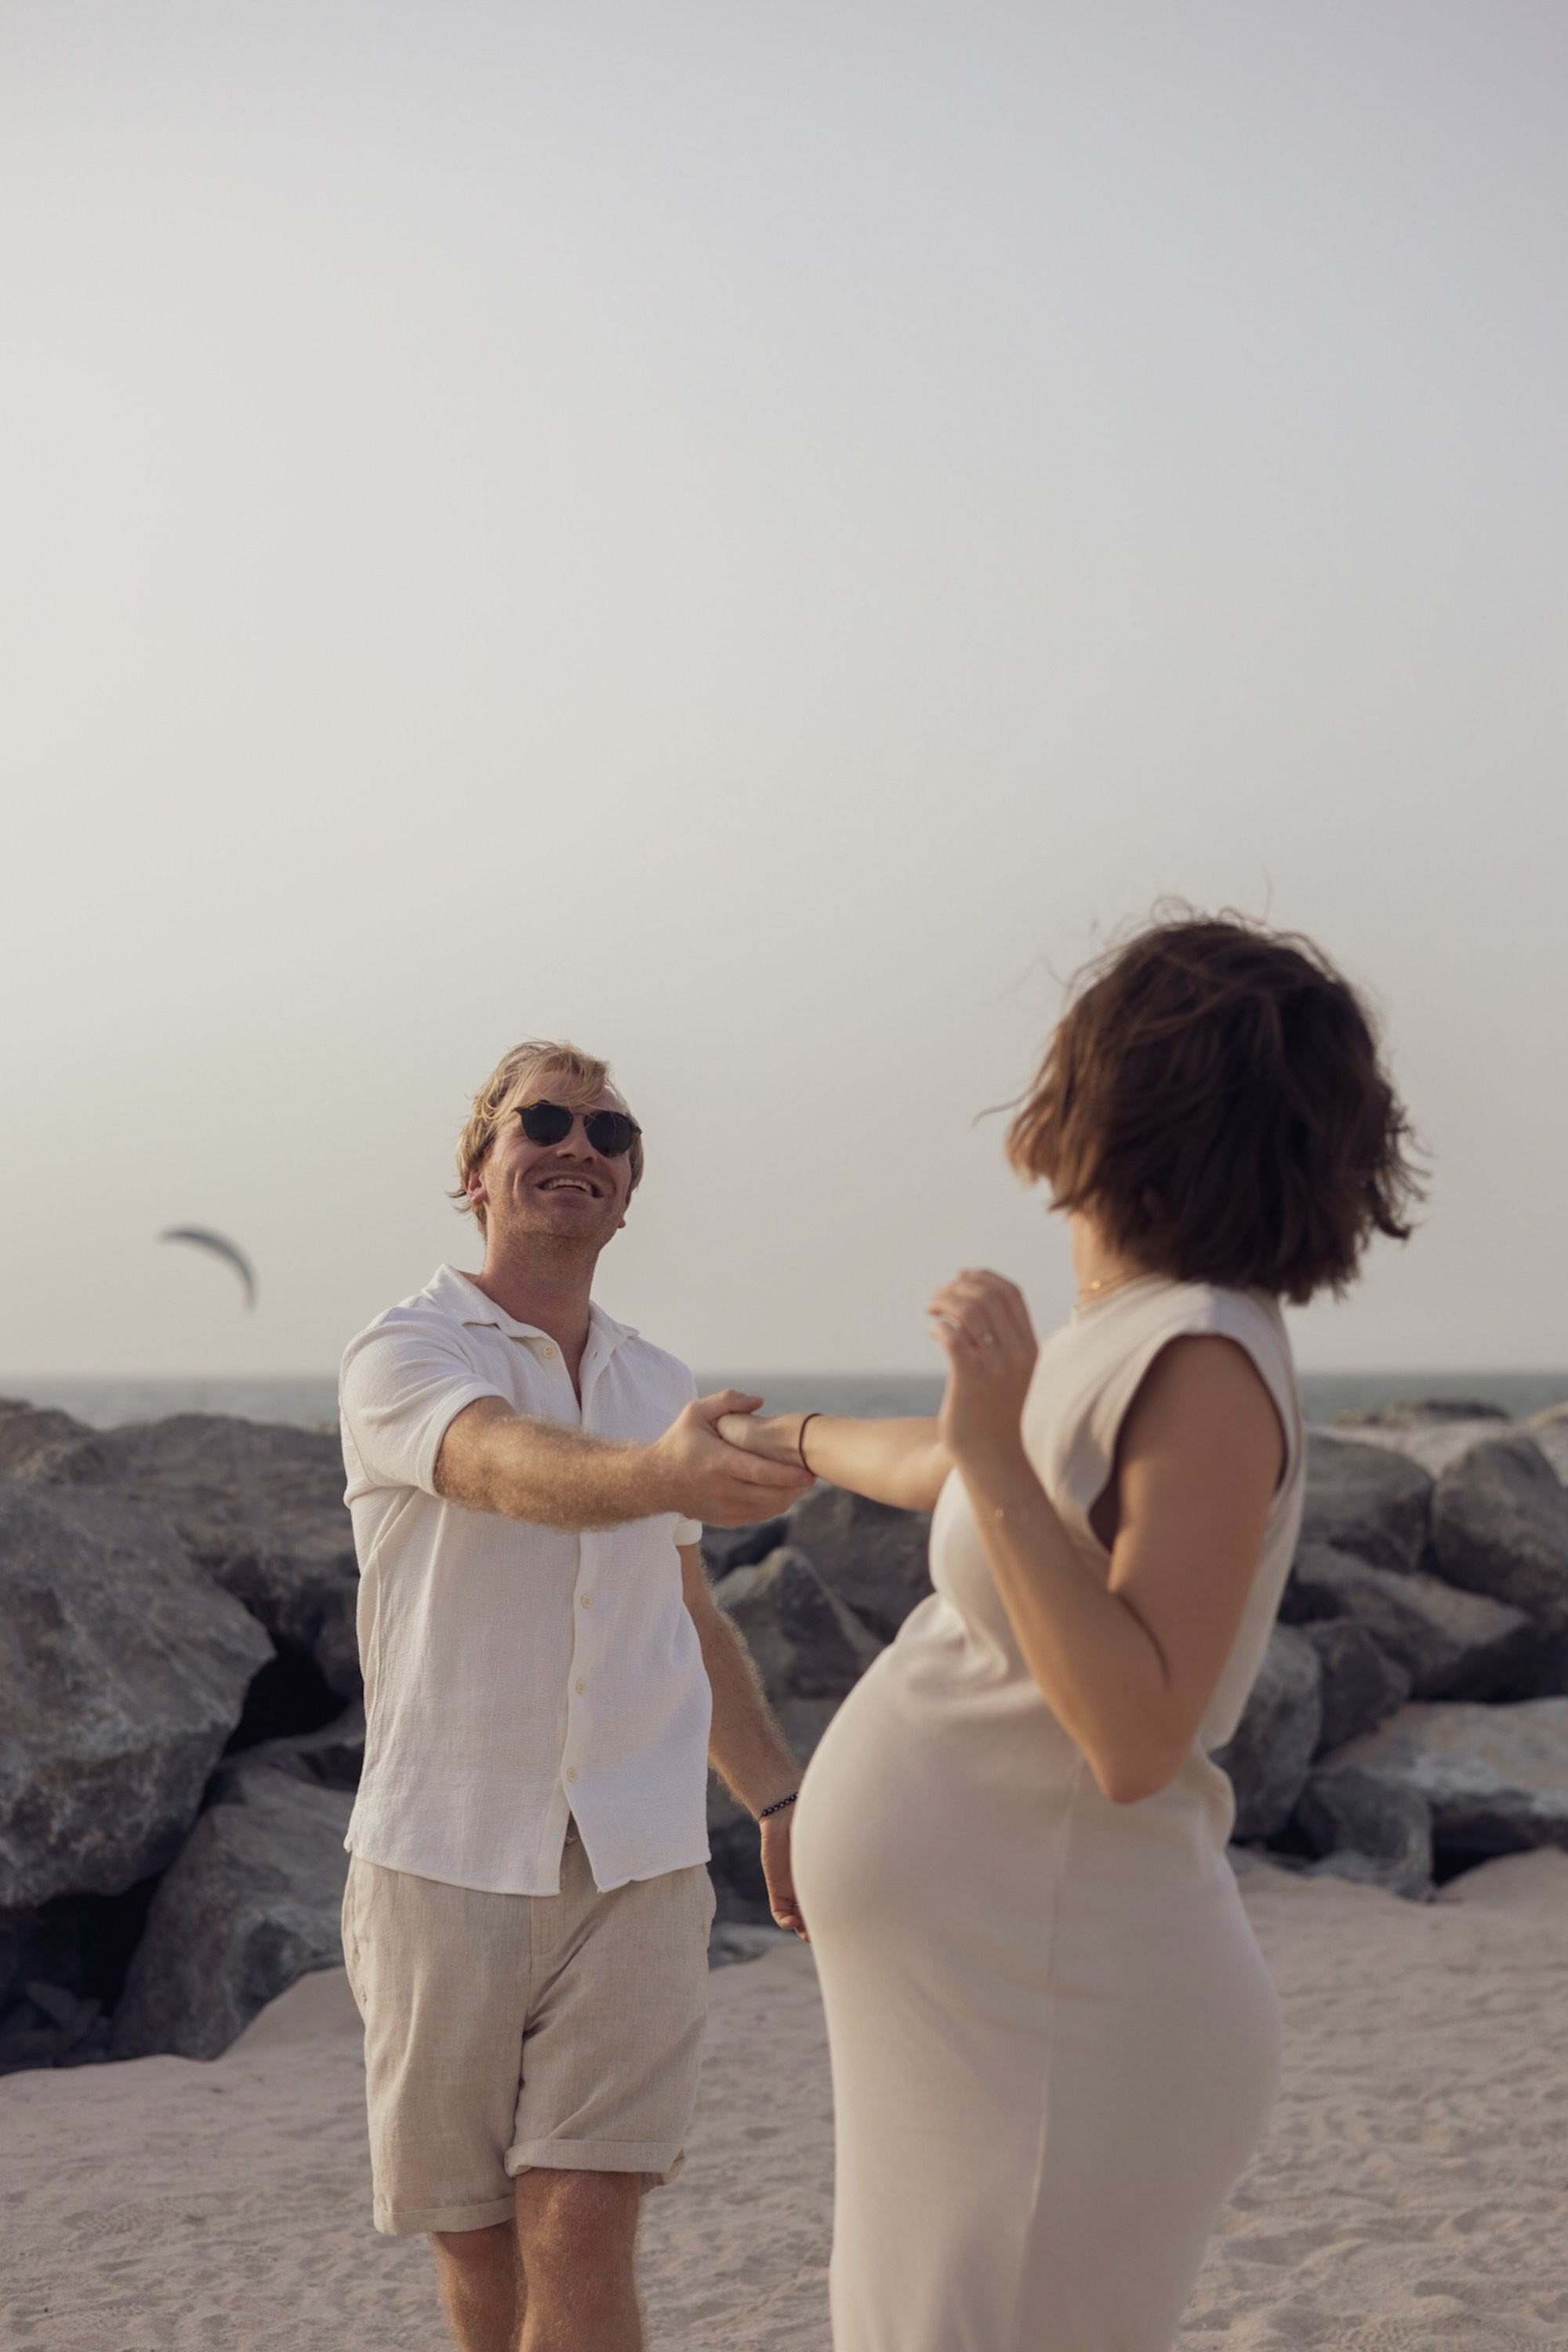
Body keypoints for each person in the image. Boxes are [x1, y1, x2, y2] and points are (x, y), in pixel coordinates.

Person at [721, 915, 1420, 2352]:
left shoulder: (1208, 1357)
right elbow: (945, 1465)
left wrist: (986, 1443)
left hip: (1061, 2023)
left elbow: (1138, 1732)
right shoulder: (1132, 1326)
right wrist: (769, 1435)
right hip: (986, 2013)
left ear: (1133, 1093)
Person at [336, 1039, 812, 2352]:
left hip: (640, 1858)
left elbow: (687, 1614)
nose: (577, 1147)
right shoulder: (404, 1352)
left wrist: (777, 1796)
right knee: (481, 2247)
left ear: (629, 1187)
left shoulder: (659, 1383)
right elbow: (495, 1466)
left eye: (610, 1134)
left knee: (585, 2215)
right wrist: (661, 1476)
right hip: (444, 1850)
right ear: (478, 1172)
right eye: (542, 1121)